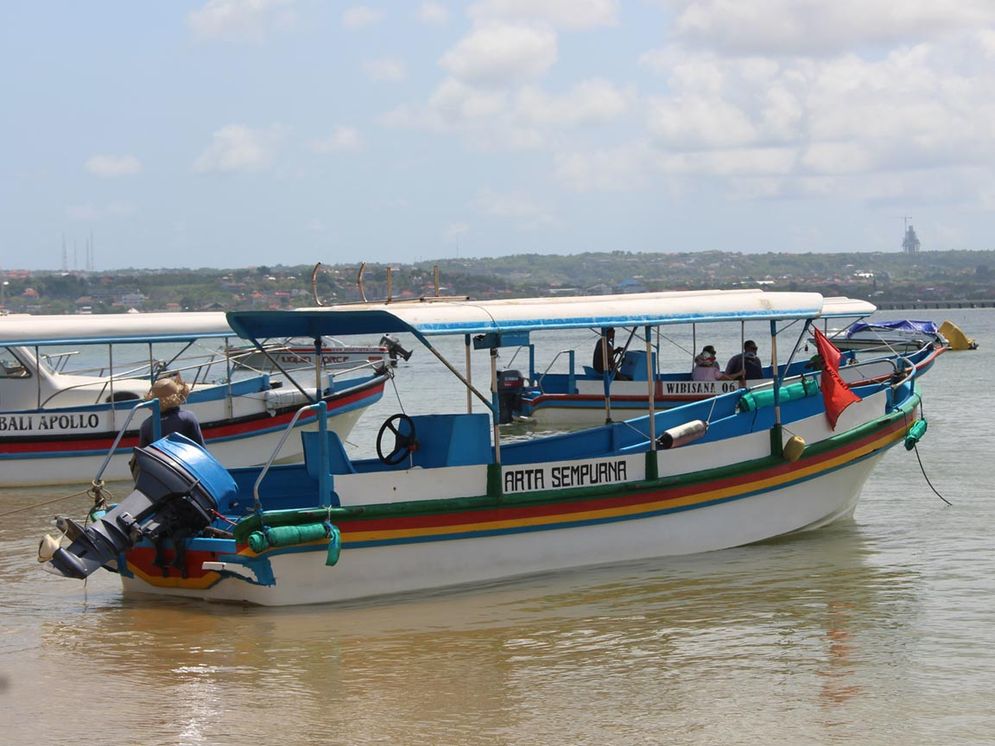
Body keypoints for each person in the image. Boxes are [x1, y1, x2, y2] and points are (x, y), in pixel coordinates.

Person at [139, 375, 205, 447]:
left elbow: (143, 453)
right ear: (179, 396)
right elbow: (200, 448)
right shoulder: (187, 418)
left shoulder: (147, 425)